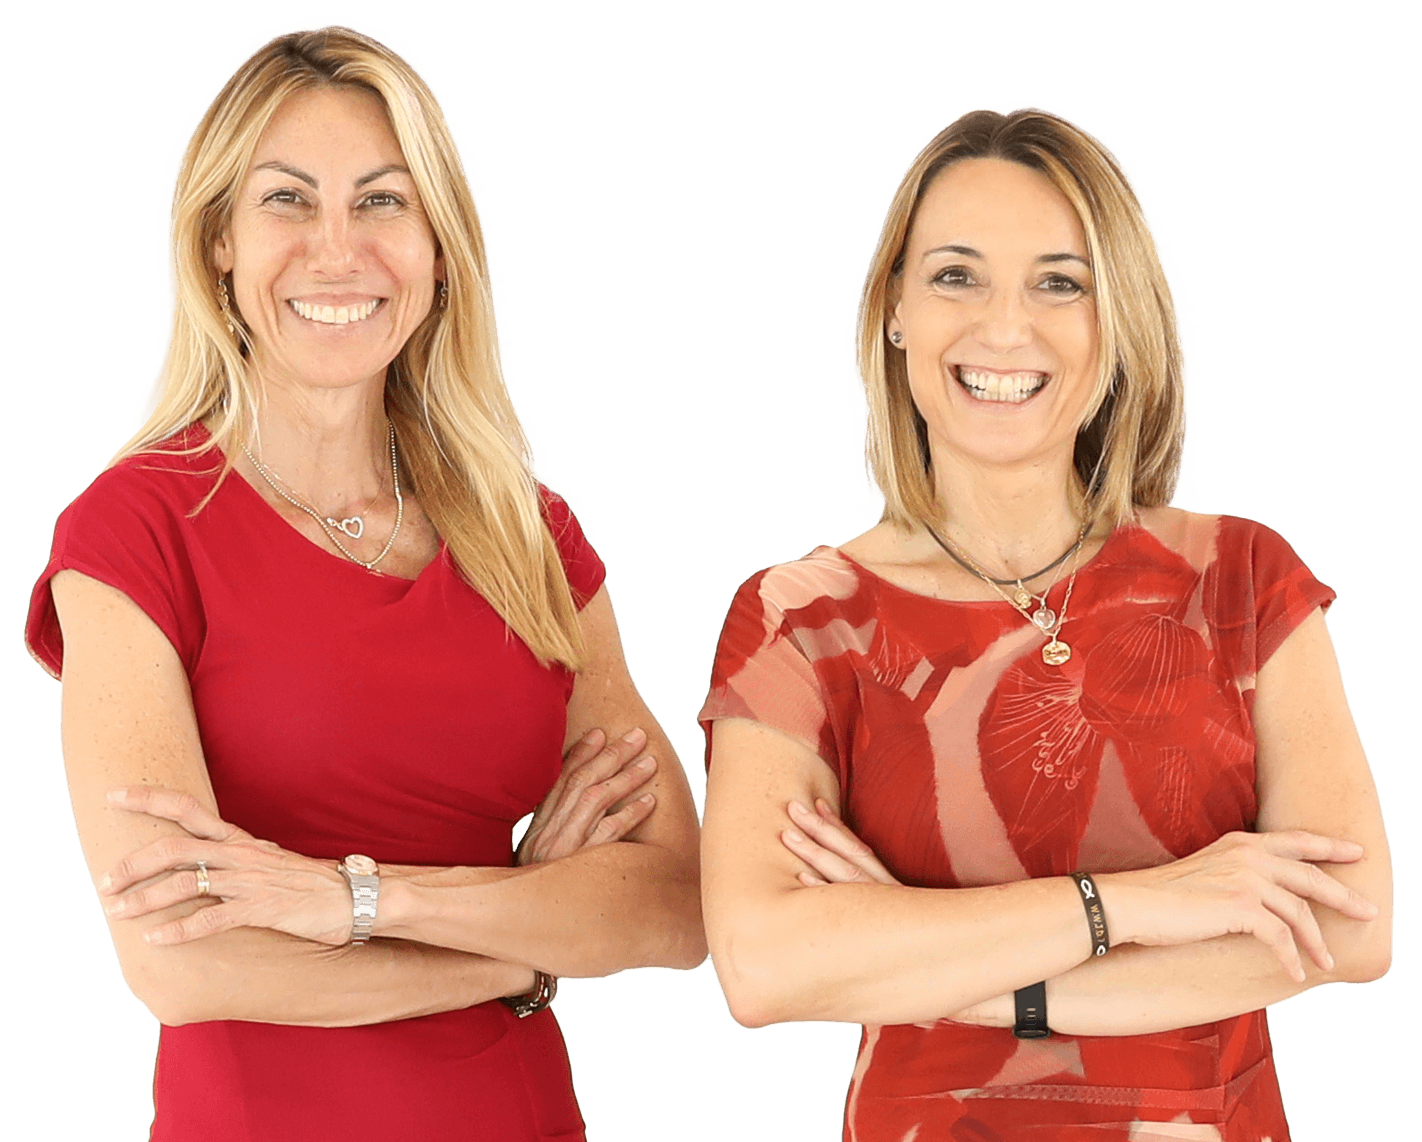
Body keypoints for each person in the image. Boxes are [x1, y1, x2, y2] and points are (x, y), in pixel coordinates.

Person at [24, 20, 704, 1142]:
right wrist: (525, 945)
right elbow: (180, 962)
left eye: (382, 201)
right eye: (287, 201)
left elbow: (676, 904)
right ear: (219, 242)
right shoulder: (135, 533)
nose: (336, 252)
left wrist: (353, 900)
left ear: (438, 248)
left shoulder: (526, 533)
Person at [696, 104, 1392, 1142]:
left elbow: (1349, 926)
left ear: (1117, 319)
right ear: (894, 309)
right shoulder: (802, 618)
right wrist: (1138, 904)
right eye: (956, 275)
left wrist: (934, 960)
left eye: (1059, 282)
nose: (1004, 327)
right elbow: (763, 967)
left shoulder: (1241, 578)